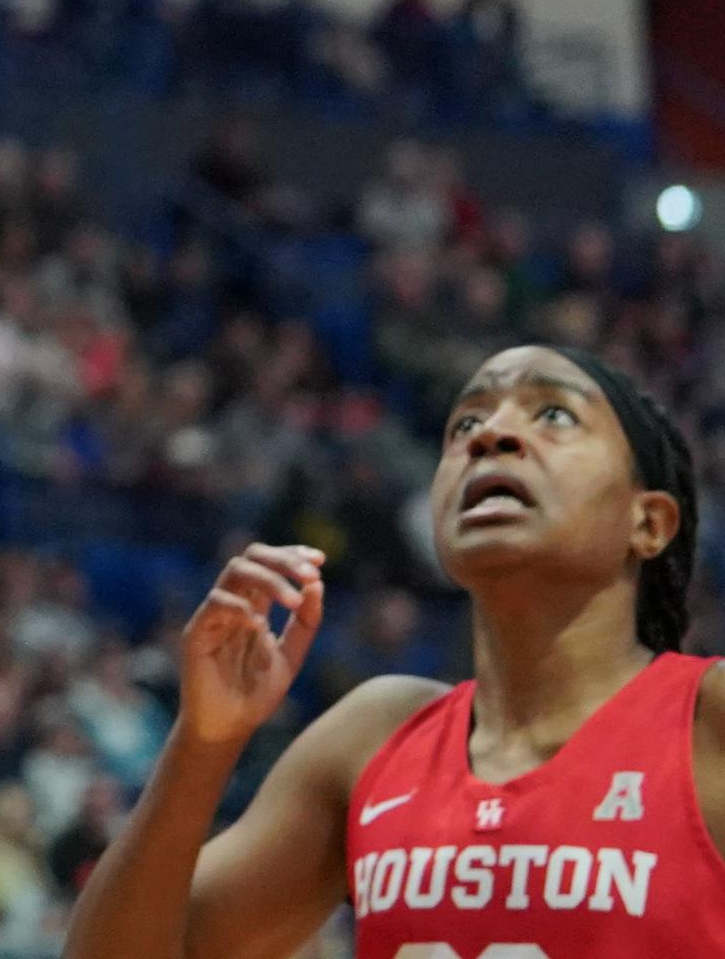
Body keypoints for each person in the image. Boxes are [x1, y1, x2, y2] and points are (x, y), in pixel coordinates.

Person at [63, 341, 725, 958]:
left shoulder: (706, 722)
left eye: (554, 414)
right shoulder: (375, 736)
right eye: (463, 426)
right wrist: (204, 743)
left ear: (649, 522)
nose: (490, 436)